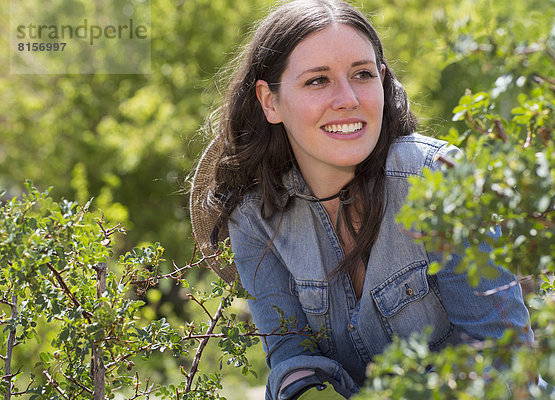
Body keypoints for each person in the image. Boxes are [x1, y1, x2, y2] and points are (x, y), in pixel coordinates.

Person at [189, 0, 533, 399]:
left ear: (382, 82)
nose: (348, 98)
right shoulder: (255, 218)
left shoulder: (433, 176)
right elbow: (290, 357)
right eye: (318, 80)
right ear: (270, 101)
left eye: (363, 74)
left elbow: (506, 358)